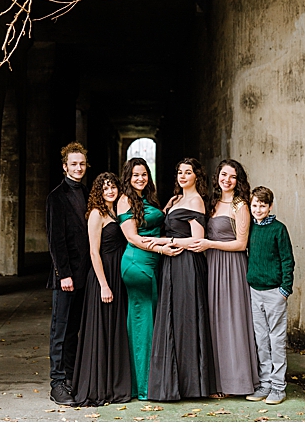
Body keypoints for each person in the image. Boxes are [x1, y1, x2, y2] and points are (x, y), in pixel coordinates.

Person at [147, 158, 218, 400]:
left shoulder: (196, 201)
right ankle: (170, 382)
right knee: (171, 317)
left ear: (197, 176)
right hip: (171, 263)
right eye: (180, 172)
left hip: (187, 264)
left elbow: (197, 241)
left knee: (186, 317)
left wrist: (167, 241)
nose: (183, 175)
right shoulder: (175, 199)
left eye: (188, 172)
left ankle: (190, 384)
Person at [193, 159, 261, 397]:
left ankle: (236, 382)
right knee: (214, 321)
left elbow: (242, 244)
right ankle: (218, 383)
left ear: (238, 180)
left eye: (232, 176)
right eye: (223, 174)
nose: (227, 180)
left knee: (232, 320)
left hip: (231, 266)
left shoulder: (240, 205)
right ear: (217, 176)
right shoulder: (212, 203)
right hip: (211, 266)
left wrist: (210, 244)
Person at [69, 172, 136, 405]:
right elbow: (93, 252)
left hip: (120, 272)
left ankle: (117, 384)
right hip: (104, 275)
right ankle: (100, 386)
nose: (110, 191)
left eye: (113, 187)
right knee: (103, 329)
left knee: (117, 329)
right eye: (105, 188)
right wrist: (104, 285)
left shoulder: (118, 211)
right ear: (99, 191)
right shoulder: (97, 214)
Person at [116, 157, 179, 400]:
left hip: (150, 262)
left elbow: (149, 223)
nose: (140, 178)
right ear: (128, 178)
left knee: (148, 320)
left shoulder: (145, 200)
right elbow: (132, 237)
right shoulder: (124, 200)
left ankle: (147, 381)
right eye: (135, 175)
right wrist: (161, 249)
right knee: (143, 323)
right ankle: (142, 387)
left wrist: (166, 209)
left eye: (144, 174)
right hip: (137, 262)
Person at [46, 142, 91, 405]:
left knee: (75, 329)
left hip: (84, 276)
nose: (78, 168)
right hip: (65, 276)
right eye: (73, 164)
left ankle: (72, 378)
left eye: (82, 164)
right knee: (60, 330)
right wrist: (64, 274)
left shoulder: (86, 193)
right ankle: (57, 383)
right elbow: (56, 240)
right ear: (65, 167)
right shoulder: (56, 196)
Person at [246, 186, 295, 405]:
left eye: (262, 205)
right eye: (254, 205)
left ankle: (278, 386)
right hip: (255, 290)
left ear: (270, 206)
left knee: (276, 339)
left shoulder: (278, 229)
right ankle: (265, 383)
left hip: (275, 292)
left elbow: (287, 260)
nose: (258, 209)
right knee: (261, 338)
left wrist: (285, 289)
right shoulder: (250, 229)